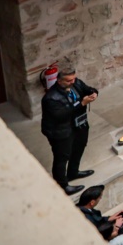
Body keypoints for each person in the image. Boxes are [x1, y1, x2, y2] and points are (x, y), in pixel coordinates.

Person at [41, 64, 97, 194]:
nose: (73, 82)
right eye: (69, 80)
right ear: (59, 81)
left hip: (79, 125)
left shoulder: (75, 83)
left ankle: (73, 172)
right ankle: (62, 185)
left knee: (78, 148)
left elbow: (88, 89)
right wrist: (82, 103)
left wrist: (94, 93)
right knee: (62, 157)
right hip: (60, 131)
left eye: (73, 79)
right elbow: (61, 115)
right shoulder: (51, 98)